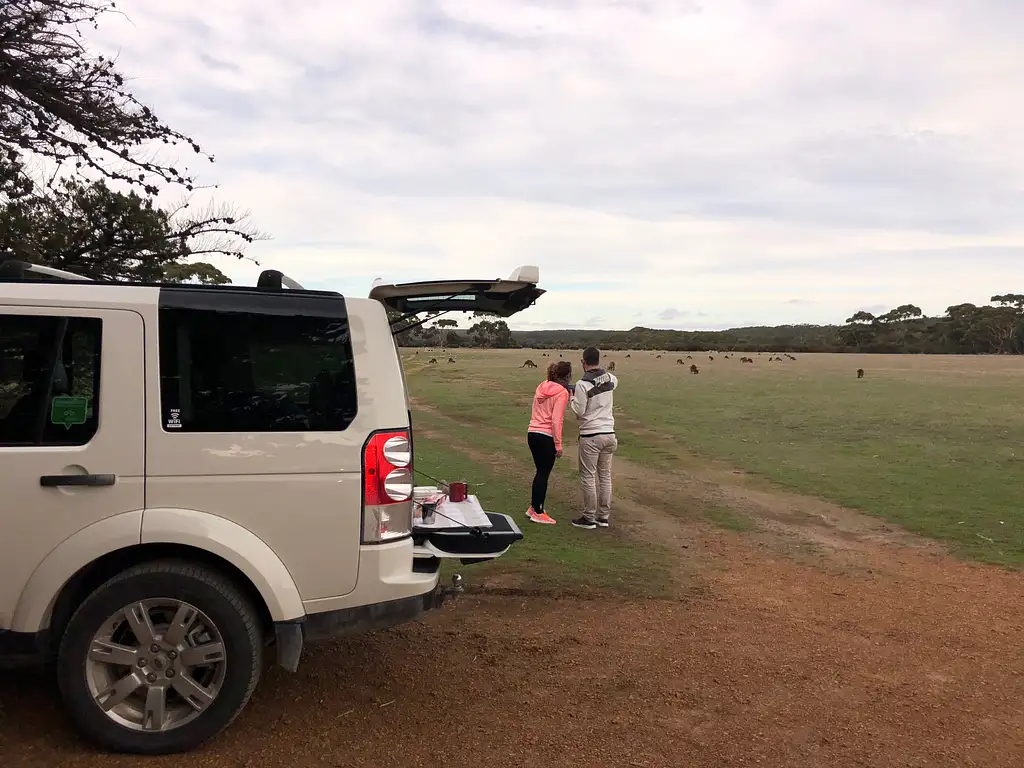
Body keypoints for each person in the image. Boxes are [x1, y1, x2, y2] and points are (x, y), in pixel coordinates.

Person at [569, 346, 618, 529]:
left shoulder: (582, 384)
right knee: (605, 476)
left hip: (591, 435)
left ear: (583, 362)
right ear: (599, 360)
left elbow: (579, 412)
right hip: (609, 433)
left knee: (588, 476)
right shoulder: (610, 378)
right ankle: (603, 516)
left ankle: (589, 517)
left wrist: (571, 399)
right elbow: (614, 381)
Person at [525, 360, 573, 525]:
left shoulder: (542, 386)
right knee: (543, 473)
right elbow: (556, 420)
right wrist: (558, 445)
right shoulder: (562, 392)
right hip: (545, 436)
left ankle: (533, 508)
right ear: (567, 375)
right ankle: (538, 512)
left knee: (540, 472)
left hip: (532, 433)